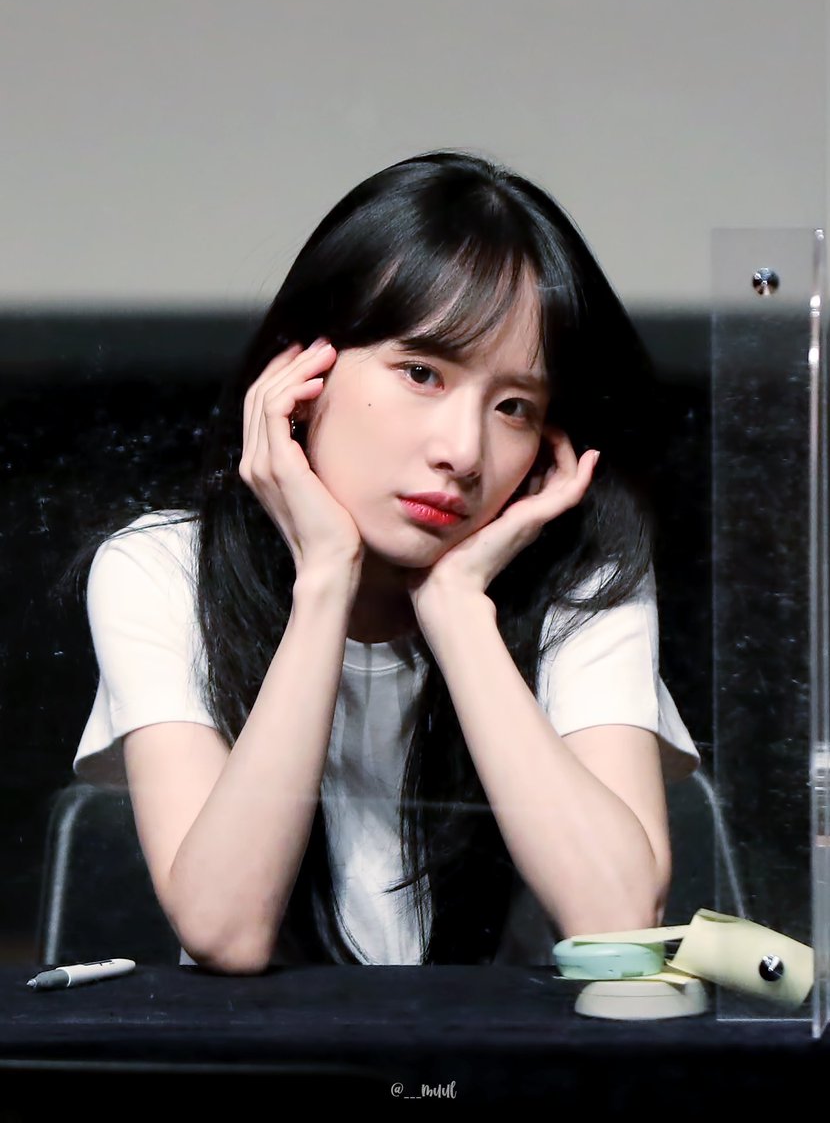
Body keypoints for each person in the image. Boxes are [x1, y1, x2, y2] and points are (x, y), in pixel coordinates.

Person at [71, 149, 699, 974]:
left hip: (510, 1052)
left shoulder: (581, 578)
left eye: (515, 406)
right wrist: (324, 581)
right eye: (422, 373)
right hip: (259, 1051)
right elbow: (224, 929)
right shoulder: (161, 570)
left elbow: (619, 920)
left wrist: (458, 611)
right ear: (302, 373)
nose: (464, 452)